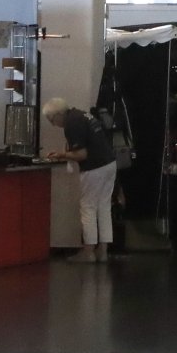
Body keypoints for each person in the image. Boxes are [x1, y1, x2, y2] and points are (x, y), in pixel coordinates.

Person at [42, 97, 117, 264]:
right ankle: (103, 251)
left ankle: (88, 252)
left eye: (51, 119)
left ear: (59, 114)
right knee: (104, 207)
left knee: (88, 207)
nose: (53, 124)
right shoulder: (82, 115)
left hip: (94, 167)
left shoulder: (72, 124)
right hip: (109, 163)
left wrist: (61, 155)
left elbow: (82, 154)